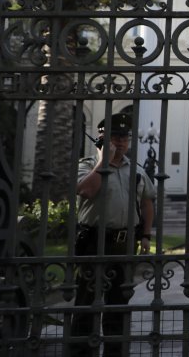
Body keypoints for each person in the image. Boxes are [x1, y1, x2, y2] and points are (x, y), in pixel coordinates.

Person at [72, 113, 155, 357]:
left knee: (118, 304)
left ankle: (115, 352)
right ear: (100, 139)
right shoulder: (87, 165)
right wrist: (104, 161)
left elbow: (147, 201)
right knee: (86, 303)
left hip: (123, 244)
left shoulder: (136, 170)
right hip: (93, 242)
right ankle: (80, 352)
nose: (119, 142)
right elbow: (87, 191)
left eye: (123, 137)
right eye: (113, 137)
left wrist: (146, 234)